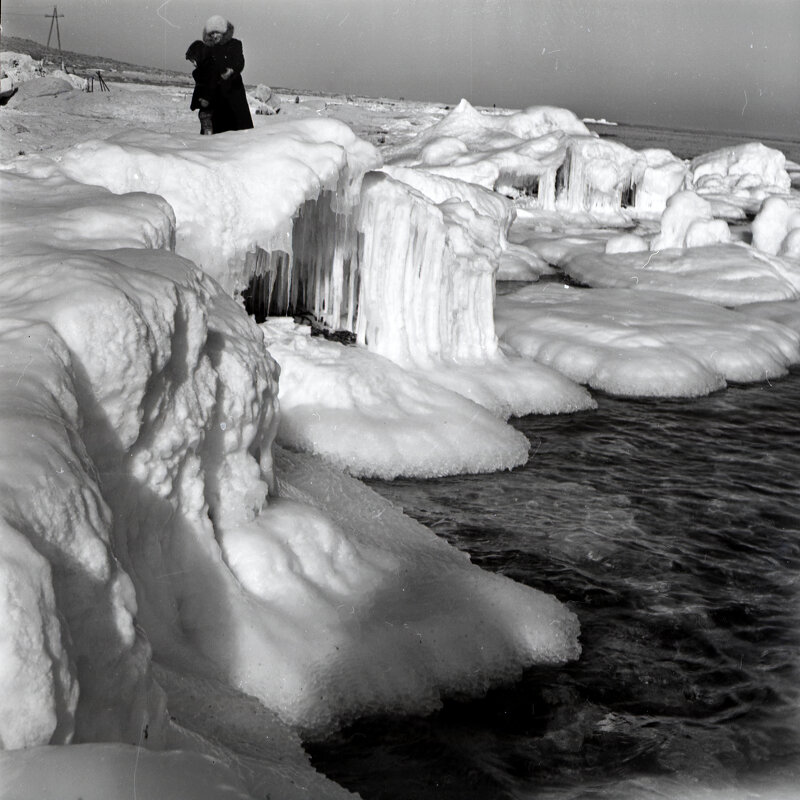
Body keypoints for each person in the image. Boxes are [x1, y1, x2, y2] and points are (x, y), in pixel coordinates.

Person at [200, 15, 253, 134]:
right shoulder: (209, 50)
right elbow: (208, 75)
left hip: (234, 92)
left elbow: (240, 62)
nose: (214, 36)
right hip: (217, 95)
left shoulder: (235, 44)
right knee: (217, 135)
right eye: (211, 34)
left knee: (239, 131)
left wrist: (232, 70)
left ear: (223, 32)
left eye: (216, 32)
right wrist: (206, 96)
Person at [185, 40, 215, 134]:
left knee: (208, 131)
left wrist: (206, 98)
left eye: (193, 60)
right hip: (206, 106)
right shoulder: (205, 68)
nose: (194, 64)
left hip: (208, 107)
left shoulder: (209, 67)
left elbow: (211, 84)